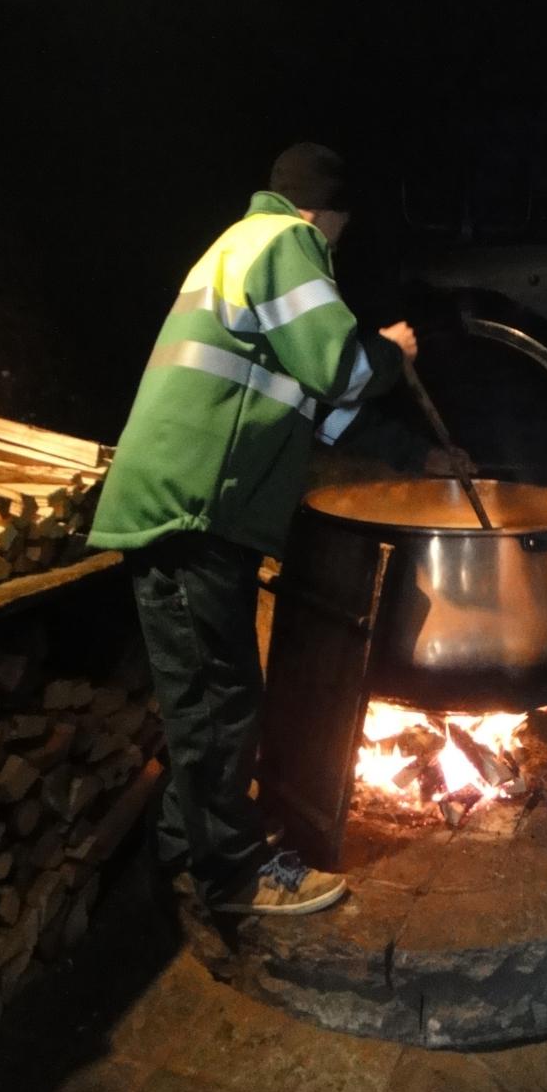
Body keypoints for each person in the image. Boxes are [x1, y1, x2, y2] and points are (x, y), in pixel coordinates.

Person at [89, 142, 423, 918]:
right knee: (221, 700)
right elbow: (342, 369)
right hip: (196, 505)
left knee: (205, 698)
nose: (338, 244)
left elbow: (314, 408)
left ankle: (184, 851)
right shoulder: (286, 242)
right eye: (341, 228)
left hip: (186, 501)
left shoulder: (238, 246)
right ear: (327, 214)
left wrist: (419, 455)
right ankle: (234, 878)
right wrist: (393, 353)